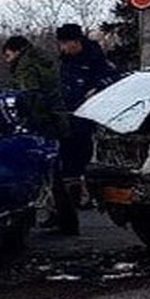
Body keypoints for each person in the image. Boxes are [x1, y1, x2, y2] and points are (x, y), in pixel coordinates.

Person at [2, 35, 78, 235]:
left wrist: (30, 122)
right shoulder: (43, 59)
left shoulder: (25, 66)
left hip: (43, 124)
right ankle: (65, 219)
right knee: (56, 174)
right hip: (57, 119)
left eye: (8, 55)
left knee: (49, 175)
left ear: (16, 51)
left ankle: (64, 221)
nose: (8, 60)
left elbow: (31, 96)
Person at [55, 23, 118, 209]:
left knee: (85, 153)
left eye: (66, 43)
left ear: (76, 42)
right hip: (70, 113)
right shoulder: (65, 61)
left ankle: (87, 192)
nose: (63, 48)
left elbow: (111, 79)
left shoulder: (95, 58)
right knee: (68, 156)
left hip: (91, 113)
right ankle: (73, 195)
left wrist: (96, 90)